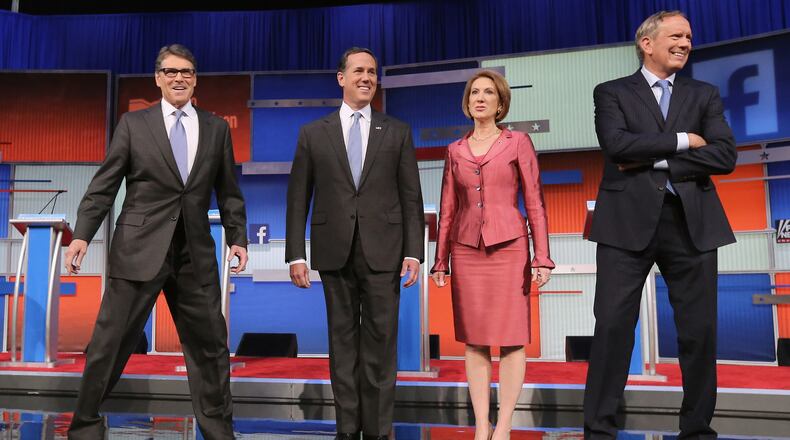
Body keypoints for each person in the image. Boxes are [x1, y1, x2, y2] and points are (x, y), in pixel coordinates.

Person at [65, 44, 248, 440]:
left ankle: (219, 433)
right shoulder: (134, 124)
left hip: (194, 254)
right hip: (139, 248)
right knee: (110, 343)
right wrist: (82, 235)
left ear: (195, 79)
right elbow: (104, 185)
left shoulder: (216, 128)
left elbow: (229, 192)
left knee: (211, 348)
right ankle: (84, 427)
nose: (179, 78)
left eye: (187, 72)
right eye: (171, 72)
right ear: (158, 78)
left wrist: (238, 237)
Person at [583, 11, 737, 439]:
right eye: (676, 35)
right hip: (625, 225)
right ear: (647, 43)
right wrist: (685, 141)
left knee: (699, 332)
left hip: (692, 223)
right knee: (612, 328)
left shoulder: (704, 95)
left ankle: (697, 431)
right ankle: (598, 431)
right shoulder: (611, 92)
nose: (686, 43)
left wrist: (651, 158)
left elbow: (725, 155)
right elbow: (617, 146)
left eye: (689, 36)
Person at [285, 47, 424, 440]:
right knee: (342, 343)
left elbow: (411, 197)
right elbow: (298, 197)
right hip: (334, 250)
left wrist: (414, 251)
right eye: (359, 71)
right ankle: (347, 428)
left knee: (381, 344)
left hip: (385, 251)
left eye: (373, 72)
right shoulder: (313, 133)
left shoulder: (397, 131)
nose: (367, 78)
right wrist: (295, 254)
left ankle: (378, 430)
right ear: (341, 78)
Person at [430, 70, 554, 440]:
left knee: (513, 338)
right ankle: (481, 425)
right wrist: (440, 260)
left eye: (488, 92)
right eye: (474, 93)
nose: (480, 98)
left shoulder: (518, 142)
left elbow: (535, 201)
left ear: (501, 103)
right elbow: (447, 208)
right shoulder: (454, 150)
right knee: (475, 338)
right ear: (467, 102)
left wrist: (542, 256)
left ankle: (504, 425)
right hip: (466, 249)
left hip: (510, 248)